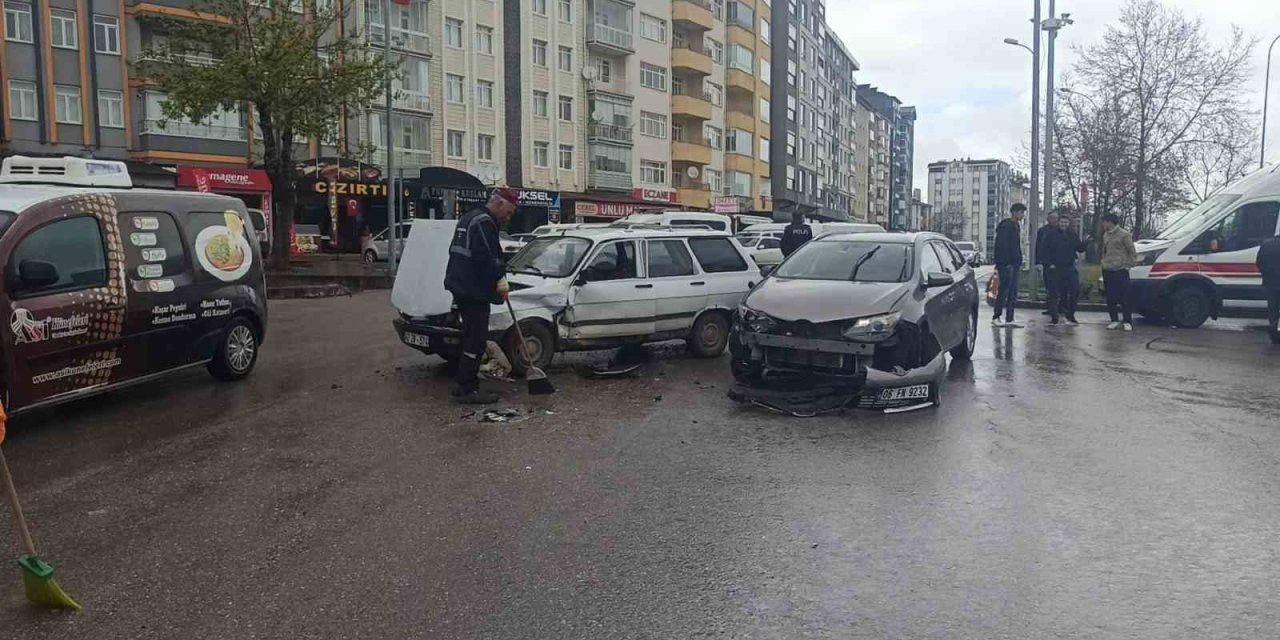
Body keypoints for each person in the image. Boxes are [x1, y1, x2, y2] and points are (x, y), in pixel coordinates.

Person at [444, 188, 519, 404]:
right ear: (500, 203)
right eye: (509, 212)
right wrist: (500, 280)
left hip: (460, 286)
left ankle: (462, 383)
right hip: (472, 290)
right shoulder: (484, 222)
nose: (508, 217)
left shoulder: (469, 217)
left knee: (469, 338)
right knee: (475, 341)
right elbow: (488, 257)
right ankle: (469, 389)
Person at [1043, 215, 1086, 325]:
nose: (1064, 224)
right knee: (1054, 293)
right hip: (1055, 267)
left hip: (1069, 267)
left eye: (1066, 222)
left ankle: (1070, 315)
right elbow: (1044, 249)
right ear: (1058, 223)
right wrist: (1049, 264)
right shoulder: (1051, 234)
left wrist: (1086, 242)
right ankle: (1054, 317)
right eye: (1062, 222)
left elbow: (1080, 248)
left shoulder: (1072, 234)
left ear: (1069, 223)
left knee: (1075, 291)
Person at [1099, 213, 1138, 331]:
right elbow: (1104, 250)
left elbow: (1131, 250)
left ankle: (1127, 321)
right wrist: (1103, 262)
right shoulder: (1105, 234)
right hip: (1107, 268)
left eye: (1104, 222)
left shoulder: (1124, 234)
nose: (1103, 224)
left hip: (1120, 269)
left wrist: (1129, 264)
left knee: (1125, 296)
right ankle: (1114, 320)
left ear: (1110, 222)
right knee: (1111, 296)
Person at [992, 203, 1027, 326]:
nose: (1023, 215)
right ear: (1014, 212)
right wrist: (1005, 263)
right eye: (1021, 212)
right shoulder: (1006, 226)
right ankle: (996, 316)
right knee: (1004, 290)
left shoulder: (1015, 225)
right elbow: (1001, 246)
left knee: (1012, 291)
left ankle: (1009, 318)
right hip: (1007, 264)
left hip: (1014, 263)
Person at [1035, 213, 1059, 315]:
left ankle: (1059, 308)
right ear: (1048, 219)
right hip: (1046, 263)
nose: (1055, 220)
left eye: (1056, 218)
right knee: (1048, 286)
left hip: (1058, 263)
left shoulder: (1059, 230)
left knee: (1057, 286)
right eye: (1052, 218)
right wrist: (1037, 261)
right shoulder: (1042, 231)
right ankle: (1050, 308)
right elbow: (1038, 246)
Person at [1258, 232, 1280, 344]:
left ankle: (1275, 335)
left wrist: (1266, 275)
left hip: (1270, 283)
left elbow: (1259, 263)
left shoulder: (1266, 245)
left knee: (1273, 309)